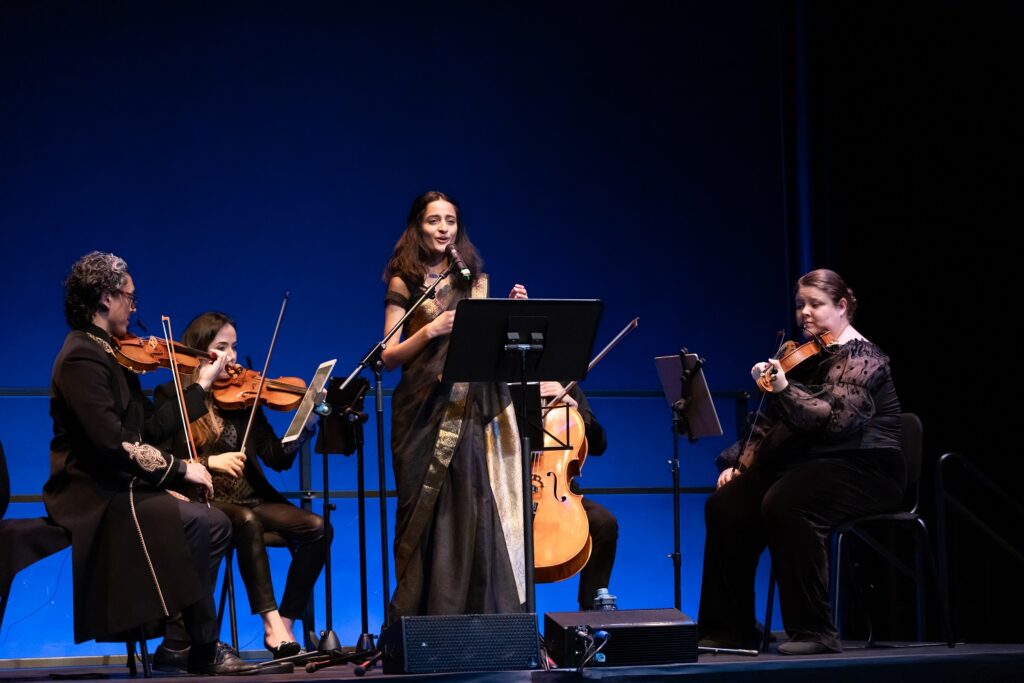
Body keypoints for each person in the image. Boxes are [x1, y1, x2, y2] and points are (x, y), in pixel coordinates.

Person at [43, 251, 253, 674]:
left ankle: (184, 643)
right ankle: (197, 645)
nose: (134, 308)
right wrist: (177, 471)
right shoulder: (82, 357)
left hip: (119, 480)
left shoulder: (113, 354)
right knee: (208, 523)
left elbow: (150, 430)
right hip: (90, 490)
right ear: (105, 298)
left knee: (208, 521)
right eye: (129, 298)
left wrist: (202, 386)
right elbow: (110, 443)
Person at [697, 268, 905, 655]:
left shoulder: (865, 357)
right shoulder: (801, 356)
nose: (804, 313)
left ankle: (814, 630)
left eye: (816, 304)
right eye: (800, 305)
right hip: (812, 463)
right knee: (726, 504)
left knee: (788, 503)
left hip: (866, 466)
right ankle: (730, 627)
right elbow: (766, 421)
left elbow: (836, 422)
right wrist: (741, 464)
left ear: (842, 306)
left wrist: (784, 388)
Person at [382, 190, 529, 618]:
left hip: (468, 408)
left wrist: (510, 315)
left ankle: (478, 621)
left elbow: (486, 344)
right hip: (421, 410)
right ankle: (424, 618)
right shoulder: (402, 280)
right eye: (433, 220)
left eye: (450, 221)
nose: (443, 228)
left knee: (471, 503)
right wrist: (431, 330)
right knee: (425, 512)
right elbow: (388, 355)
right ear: (417, 227)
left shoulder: (473, 279)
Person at [152, 312, 326, 669]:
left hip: (252, 498)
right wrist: (211, 464)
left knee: (317, 528)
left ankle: (285, 625)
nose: (232, 357)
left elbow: (277, 458)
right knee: (244, 521)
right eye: (221, 347)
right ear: (199, 352)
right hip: (208, 502)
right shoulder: (173, 394)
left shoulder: (244, 399)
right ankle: (270, 622)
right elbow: (164, 454)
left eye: (234, 347)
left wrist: (306, 423)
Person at [536, 382, 618, 611]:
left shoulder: (565, 386)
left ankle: (591, 613)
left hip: (554, 489)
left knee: (603, 523)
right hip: (506, 489)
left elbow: (599, 444)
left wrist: (574, 408)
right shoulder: (502, 385)